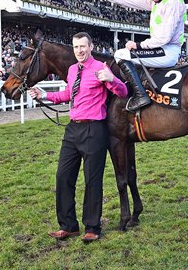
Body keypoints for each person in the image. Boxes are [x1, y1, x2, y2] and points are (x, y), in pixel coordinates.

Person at [28, 32, 128, 243]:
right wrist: (44, 95)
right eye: (76, 47)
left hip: (94, 130)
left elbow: (123, 91)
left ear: (90, 47)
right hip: (72, 130)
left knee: (92, 180)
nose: (79, 50)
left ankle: (92, 227)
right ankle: (68, 226)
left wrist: (112, 79)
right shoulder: (73, 70)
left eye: (83, 46)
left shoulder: (101, 68)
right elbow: (67, 95)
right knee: (63, 177)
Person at [89, 0, 187, 112]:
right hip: (161, 49)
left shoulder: (173, 1)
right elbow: (129, 1)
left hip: (168, 50)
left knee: (120, 54)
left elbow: (164, 38)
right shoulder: (154, 2)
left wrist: (138, 45)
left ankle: (141, 96)